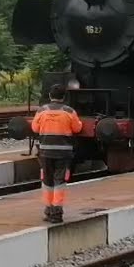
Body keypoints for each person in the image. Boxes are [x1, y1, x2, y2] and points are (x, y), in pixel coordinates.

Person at [30, 84, 84, 224]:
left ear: (49, 96)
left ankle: (48, 210)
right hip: (63, 153)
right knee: (59, 182)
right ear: (64, 97)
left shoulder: (42, 111)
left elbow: (35, 128)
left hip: (45, 152)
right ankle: (57, 213)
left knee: (47, 181)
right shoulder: (69, 111)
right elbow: (77, 128)